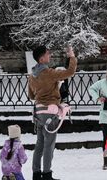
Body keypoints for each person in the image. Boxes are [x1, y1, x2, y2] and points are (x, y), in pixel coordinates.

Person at [27, 45, 78, 180]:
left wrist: (45, 91)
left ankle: (36, 174)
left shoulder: (32, 75)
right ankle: (47, 175)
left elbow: (31, 96)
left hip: (38, 113)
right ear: (42, 58)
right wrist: (71, 56)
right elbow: (70, 71)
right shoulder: (49, 73)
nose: (50, 56)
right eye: (48, 54)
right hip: (50, 112)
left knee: (39, 145)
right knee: (49, 145)